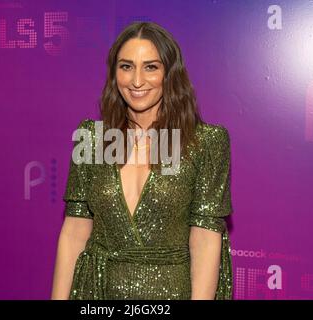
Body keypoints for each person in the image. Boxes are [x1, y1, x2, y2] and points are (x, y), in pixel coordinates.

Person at [51, 21, 233, 300]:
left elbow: (205, 241)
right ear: (114, 74)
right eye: (126, 66)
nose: (136, 81)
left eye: (151, 67)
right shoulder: (93, 138)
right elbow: (75, 230)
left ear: (170, 74)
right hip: (96, 294)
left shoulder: (203, 142)